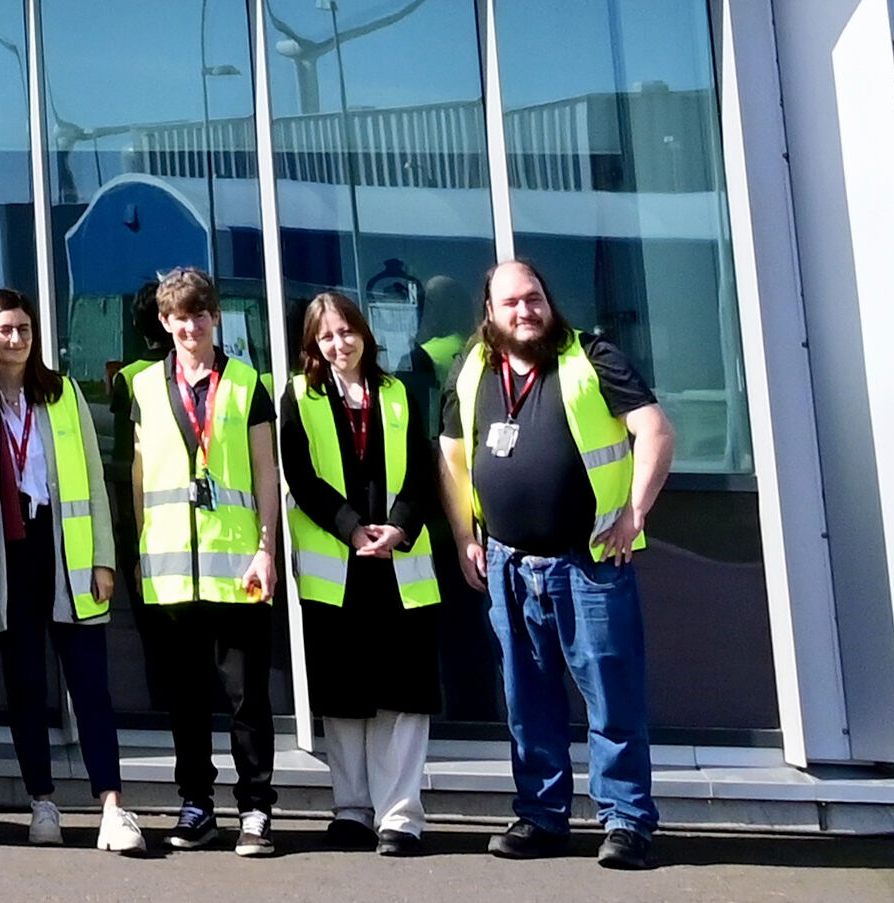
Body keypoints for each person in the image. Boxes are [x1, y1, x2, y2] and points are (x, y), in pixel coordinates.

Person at [446, 256, 675, 870]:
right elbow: (452, 454)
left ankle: (626, 821)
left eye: (535, 298)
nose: (527, 311)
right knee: (528, 701)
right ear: (489, 314)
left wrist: (634, 513)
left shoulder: (592, 357)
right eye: (512, 303)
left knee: (611, 696)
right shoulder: (472, 370)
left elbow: (655, 431)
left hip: (590, 563)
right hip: (508, 565)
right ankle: (542, 817)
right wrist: (464, 532)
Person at [0, 285, 140, 852]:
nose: (16, 339)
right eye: (5, 329)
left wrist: (104, 559)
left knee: (90, 685)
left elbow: (94, 477)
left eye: (25, 330)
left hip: (66, 550)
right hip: (8, 556)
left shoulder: (60, 394)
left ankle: (111, 805)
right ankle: (43, 803)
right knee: (26, 686)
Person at [282, 287, 444, 852]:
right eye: (325, 335)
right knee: (345, 696)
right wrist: (351, 527)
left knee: (401, 697)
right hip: (338, 566)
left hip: (400, 565)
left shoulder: (399, 394)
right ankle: (352, 809)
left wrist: (398, 527)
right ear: (312, 344)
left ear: (365, 333)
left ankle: (400, 816)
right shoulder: (298, 397)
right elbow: (300, 477)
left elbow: (424, 474)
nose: (338, 342)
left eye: (346, 330)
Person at [124, 266, 278, 854]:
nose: (189, 326)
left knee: (247, 700)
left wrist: (266, 549)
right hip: (169, 571)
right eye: (178, 317)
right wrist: (140, 549)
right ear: (165, 323)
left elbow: (266, 472)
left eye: (198, 314)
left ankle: (257, 810)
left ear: (215, 317)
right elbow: (139, 477)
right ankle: (196, 805)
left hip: (237, 568)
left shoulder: (245, 384)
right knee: (185, 699)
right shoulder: (142, 388)